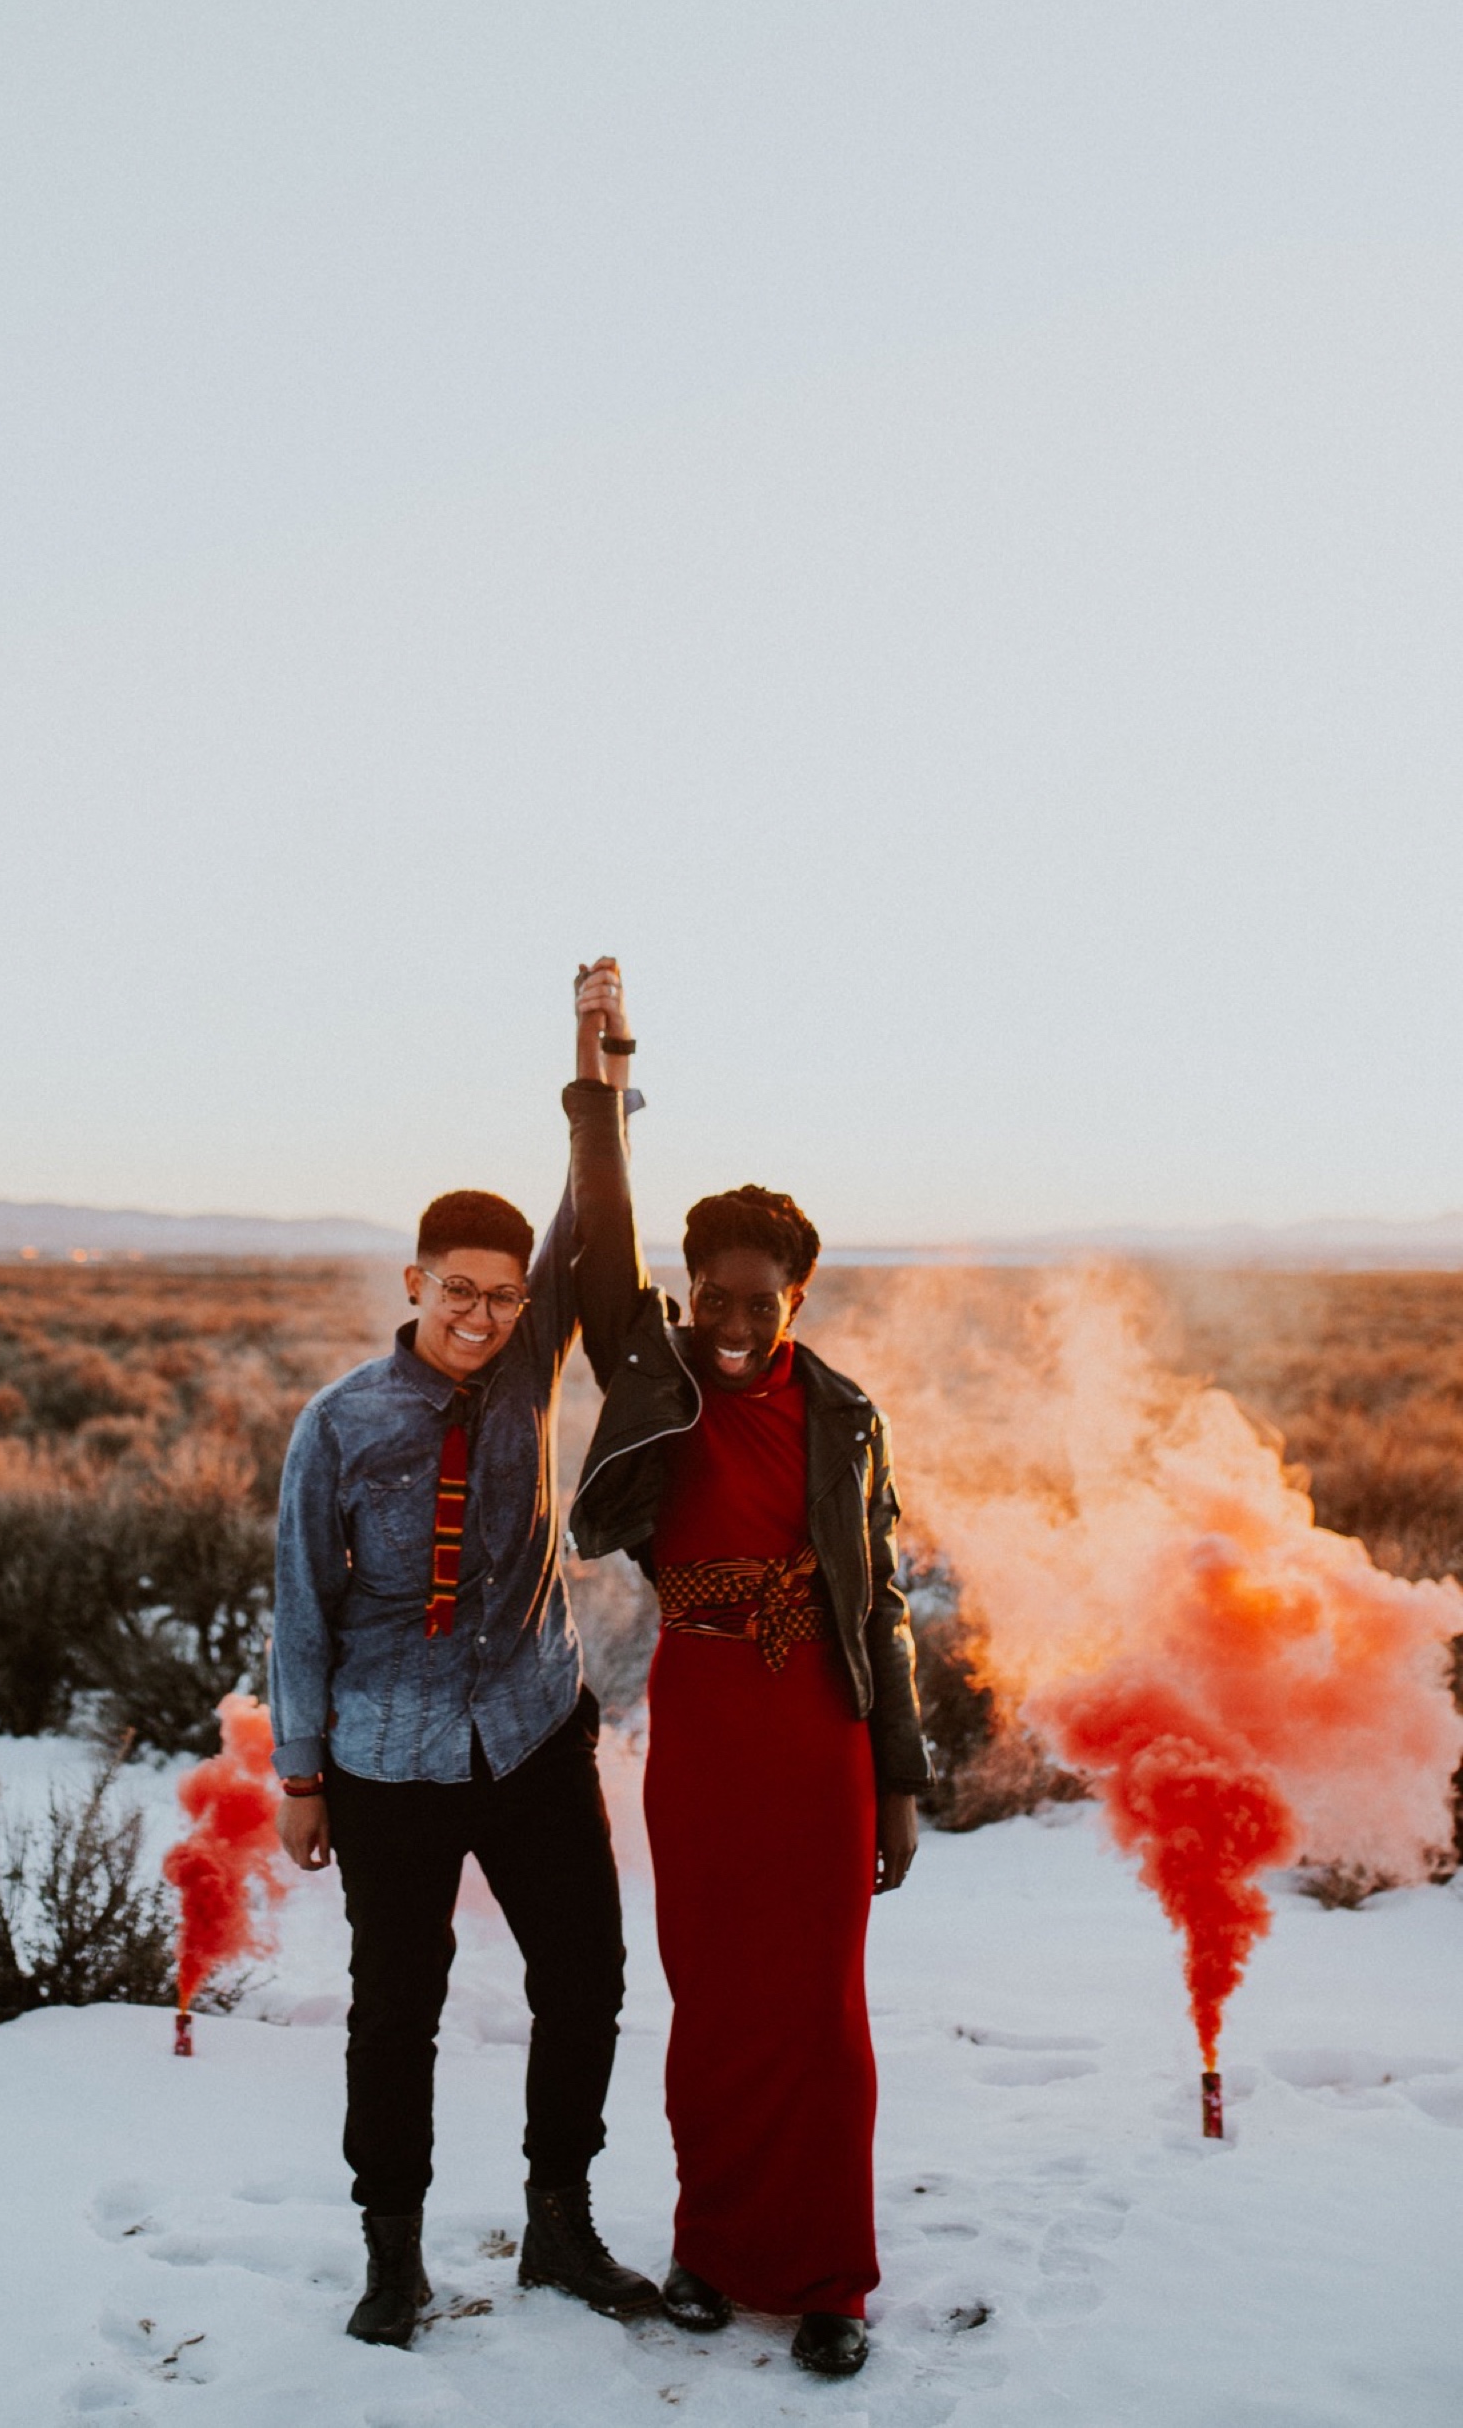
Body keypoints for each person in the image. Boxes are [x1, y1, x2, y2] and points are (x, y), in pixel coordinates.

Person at [269, 960, 661, 2351]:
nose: (484, 1316)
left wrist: (594, 1057)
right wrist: (301, 1774)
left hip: (533, 1724)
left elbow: (592, 1210)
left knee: (590, 1975)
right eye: (460, 1292)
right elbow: (301, 1610)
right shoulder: (342, 1423)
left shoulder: (536, 1355)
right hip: (386, 1752)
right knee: (399, 2003)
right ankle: (393, 2251)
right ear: (415, 1280)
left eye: (503, 1294)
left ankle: (560, 2219)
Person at [568, 978, 930, 2383]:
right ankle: (712, 2251)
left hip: (819, 1736)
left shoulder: (844, 1417)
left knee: (823, 2012)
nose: (729, 1319)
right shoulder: (654, 1374)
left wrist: (898, 1777)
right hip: (706, 1721)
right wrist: (599, 1076)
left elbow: (880, 1597)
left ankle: (832, 2276)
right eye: (710, 1292)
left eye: (756, 1299)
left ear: (798, 1295)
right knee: (713, 1998)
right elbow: (601, 1244)